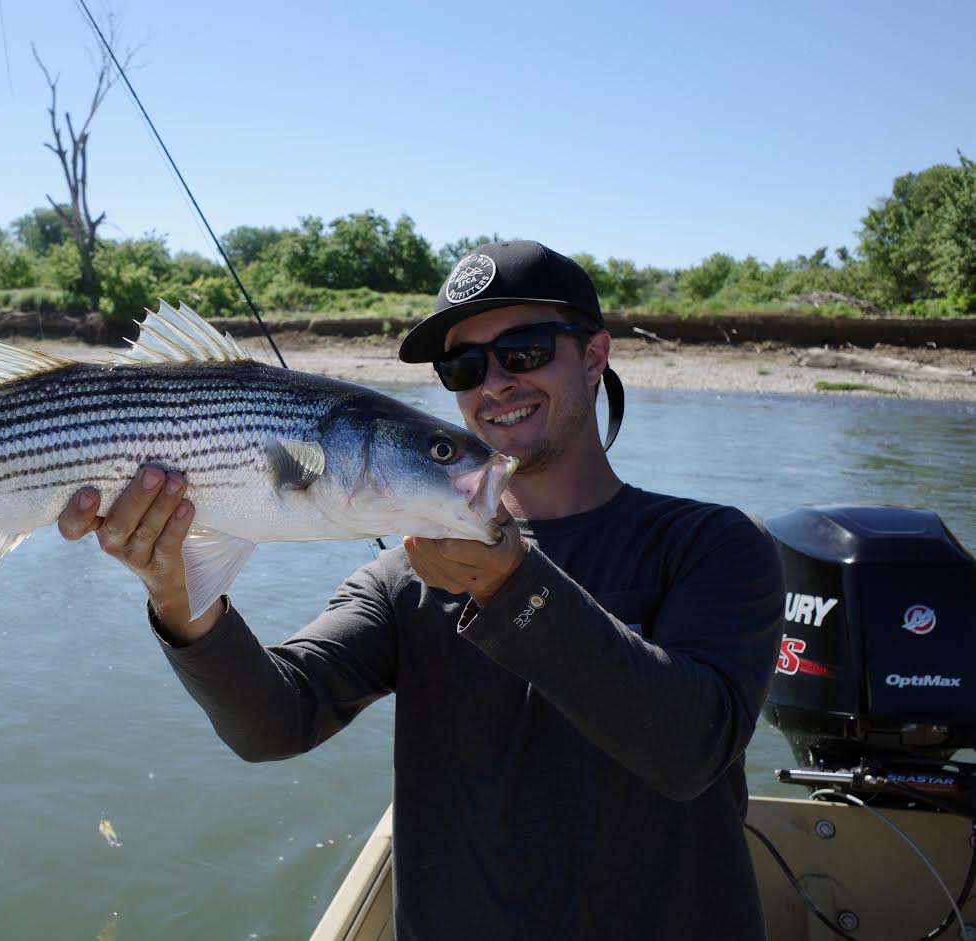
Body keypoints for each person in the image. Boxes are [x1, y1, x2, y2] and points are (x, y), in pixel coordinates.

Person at [57, 240, 785, 939]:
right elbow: (275, 721)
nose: (493, 383)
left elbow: (692, 749)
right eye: (463, 367)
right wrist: (179, 599)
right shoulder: (406, 575)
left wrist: (514, 586)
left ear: (594, 356)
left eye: (524, 351)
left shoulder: (712, 544)